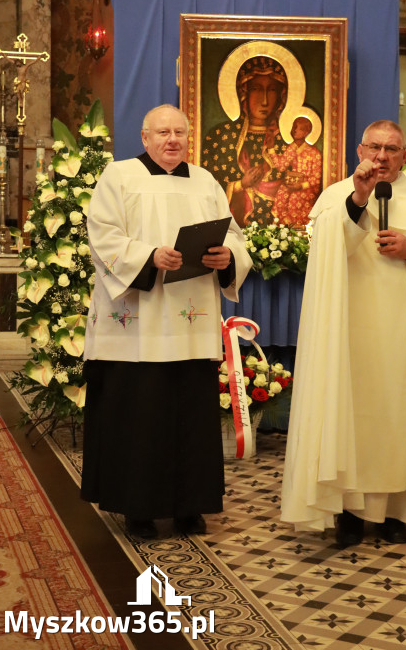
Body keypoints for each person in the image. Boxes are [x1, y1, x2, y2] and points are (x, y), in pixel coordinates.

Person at [281, 120, 406, 547]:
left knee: (400, 419)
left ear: (405, 155)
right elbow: (327, 247)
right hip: (349, 333)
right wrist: (359, 198)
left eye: (392, 149)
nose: (383, 156)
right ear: (359, 150)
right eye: (375, 147)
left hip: (405, 334)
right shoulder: (338, 196)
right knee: (350, 415)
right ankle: (349, 512)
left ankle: (394, 512)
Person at [81, 104, 252, 540]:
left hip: (189, 322)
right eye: (162, 132)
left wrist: (227, 256)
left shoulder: (206, 181)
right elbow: (102, 235)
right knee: (139, 415)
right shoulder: (119, 177)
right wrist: (148, 256)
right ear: (144, 137)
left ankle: (189, 506)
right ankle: (137, 508)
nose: (171, 139)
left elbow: (233, 233)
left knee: (189, 417)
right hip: (136, 322)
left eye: (179, 132)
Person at [202, 56, 287, 227]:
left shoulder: (286, 140)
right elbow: (205, 187)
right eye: (256, 89)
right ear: (243, 93)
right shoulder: (220, 136)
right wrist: (240, 185)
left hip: (280, 230)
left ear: (281, 96)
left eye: (271, 90)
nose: (264, 100)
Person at [268, 116, 322, 227]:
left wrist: (301, 186)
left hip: (306, 189)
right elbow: (281, 166)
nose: (295, 131)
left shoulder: (314, 152)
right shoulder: (291, 148)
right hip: (292, 184)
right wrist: (271, 149)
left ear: (306, 132)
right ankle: (282, 231)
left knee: (294, 199)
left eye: (299, 129)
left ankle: (300, 230)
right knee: (282, 194)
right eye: (294, 127)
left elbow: (316, 178)